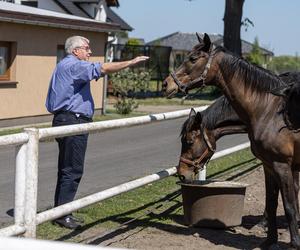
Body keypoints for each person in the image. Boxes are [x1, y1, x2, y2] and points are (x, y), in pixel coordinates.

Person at [46, 36, 149, 229]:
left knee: (67, 169)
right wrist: (130, 62)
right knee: (72, 169)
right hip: (72, 120)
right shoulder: (75, 65)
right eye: (86, 48)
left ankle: (61, 211)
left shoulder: (64, 65)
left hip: (65, 119)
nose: (89, 52)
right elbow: (102, 68)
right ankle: (62, 215)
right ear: (75, 50)